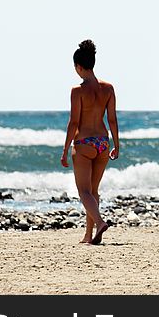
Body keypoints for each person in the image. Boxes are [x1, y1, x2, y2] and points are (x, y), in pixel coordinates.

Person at [60, 40, 120, 244]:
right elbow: (112, 119)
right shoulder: (108, 88)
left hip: (84, 143)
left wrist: (65, 149)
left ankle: (100, 223)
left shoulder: (77, 91)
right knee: (93, 192)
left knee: (84, 192)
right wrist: (117, 145)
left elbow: (74, 122)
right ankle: (89, 235)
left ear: (78, 67)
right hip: (103, 142)